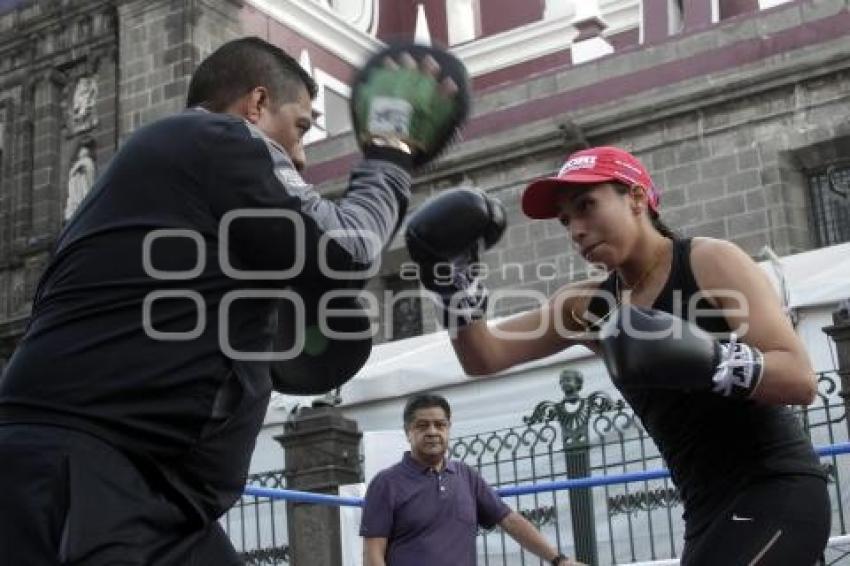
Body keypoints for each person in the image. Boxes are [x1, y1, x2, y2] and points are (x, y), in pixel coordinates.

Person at [0, 37, 466, 564]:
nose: (302, 154)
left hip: (145, 490)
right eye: (301, 126)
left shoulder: (161, 186)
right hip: (90, 475)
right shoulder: (215, 136)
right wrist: (390, 155)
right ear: (257, 104)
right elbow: (344, 251)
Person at [405, 146, 831, 565]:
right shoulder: (586, 306)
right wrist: (451, 286)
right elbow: (484, 356)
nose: (575, 229)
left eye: (587, 205)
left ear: (637, 197)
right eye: (566, 219)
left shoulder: (708, 260)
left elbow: (799, 380)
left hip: (777, 489)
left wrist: (707, 358)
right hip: (705, 512)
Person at [360, 393, 581, 566]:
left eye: (440, 424)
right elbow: (372, 553)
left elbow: (511, 521)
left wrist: (558, 560)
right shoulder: (386, 483)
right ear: (408, 432)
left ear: (449, 429)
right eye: (422, 425)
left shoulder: (466, 476)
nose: (432, 431)